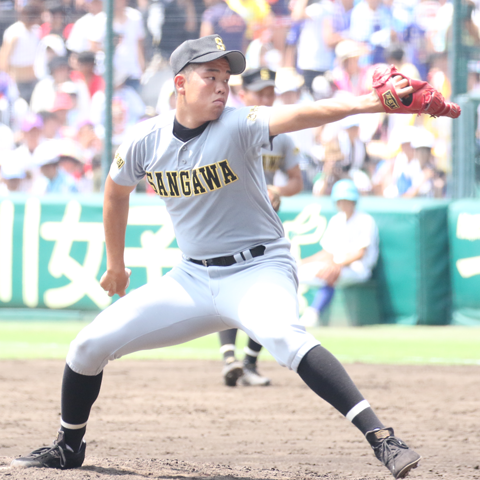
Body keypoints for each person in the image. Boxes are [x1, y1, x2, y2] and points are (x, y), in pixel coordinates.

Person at [12, 34, 422, 480]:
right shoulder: (145, 139)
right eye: (211, 76)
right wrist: (116, 263)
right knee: (87, 346)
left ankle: (382, 437)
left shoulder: (239, 123)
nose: (222, 86)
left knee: (284, 337)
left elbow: (303, 114)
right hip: (191, 279)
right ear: (180, 84)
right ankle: (69, 447)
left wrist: (370, 103)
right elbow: (115, 192)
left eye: (226, 77)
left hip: (259, 268)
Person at [218, 67, 304, 387]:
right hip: (228, 219)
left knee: (271, 287)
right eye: (260, 92)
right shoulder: (226, 126)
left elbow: (296, 180)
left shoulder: (281, 135)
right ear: (245, 95)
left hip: (265, 223)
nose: (267, 98)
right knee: (225, 280)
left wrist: (279, 190)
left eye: (271, 92)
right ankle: (230, 357)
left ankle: (249, 363)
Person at [299, 179, 378, 326]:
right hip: (335, 265)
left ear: (354, 201)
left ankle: (313, 314)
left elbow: (360, 253)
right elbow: (327, 252)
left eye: (347, 200)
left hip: (359, 269)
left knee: (332, 274)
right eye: (341, 200)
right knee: (296, 273)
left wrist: (336, 264)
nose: (344, 204)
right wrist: (302, 262)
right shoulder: (336, 220)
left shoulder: (366, 220)